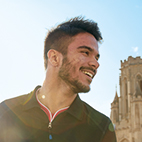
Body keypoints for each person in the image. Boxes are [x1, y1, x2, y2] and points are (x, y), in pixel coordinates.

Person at [0, 17, 116, 142]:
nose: (96, 64)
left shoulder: (101, 127)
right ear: (54, 58)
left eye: (97, 58)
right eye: (85, 52)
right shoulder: (6, 112)